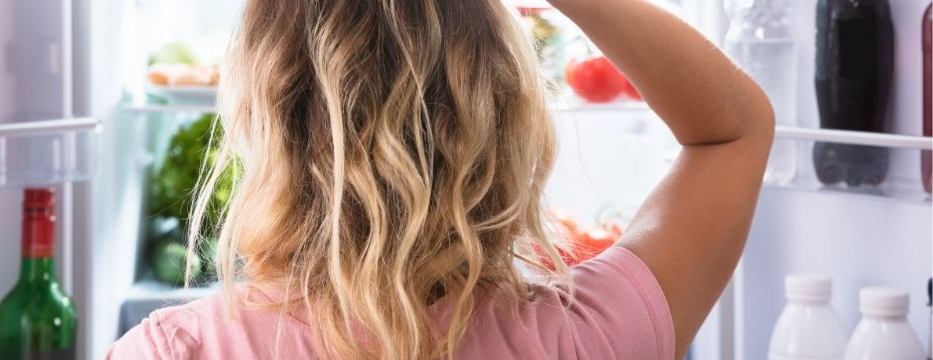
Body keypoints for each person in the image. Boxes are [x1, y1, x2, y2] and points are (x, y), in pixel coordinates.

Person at [108, 0, 774, 358]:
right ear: (506, 115)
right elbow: (734, 132)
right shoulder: (590, 336)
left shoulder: (174, 352)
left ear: (267, 120)